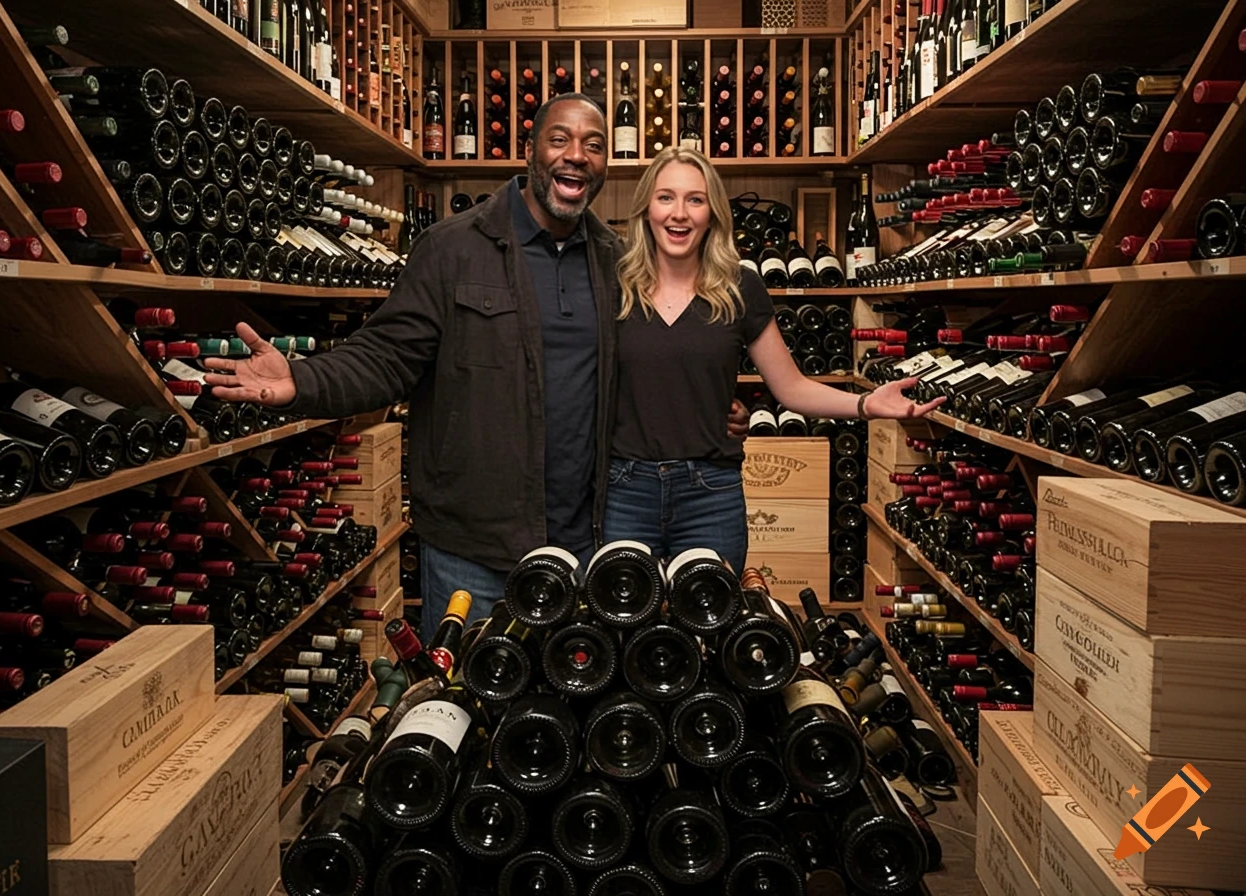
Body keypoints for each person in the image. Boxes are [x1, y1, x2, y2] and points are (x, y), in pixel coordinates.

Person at [203, 96, 747, 636]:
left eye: (593, 145)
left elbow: (648, 365)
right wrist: (302, 379)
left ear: (607, 165)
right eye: (560, 140)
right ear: (529, 151)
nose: (576, 155)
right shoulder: (452, 248)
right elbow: (388, 356)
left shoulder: (617, 261)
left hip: (586, 546)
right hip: (474, 550)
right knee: (465, 707)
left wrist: (708, 410)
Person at [602, 147, 943, 574]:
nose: (680, 213)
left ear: (713, 213)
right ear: (646, 208)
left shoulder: (739, 287)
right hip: (626, 491)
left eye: (696, 199)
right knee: (626, 633)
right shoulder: (613, 287)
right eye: (666, 197)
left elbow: (791, 387)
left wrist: (865, 404)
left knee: (715, 630)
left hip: (710, 492)